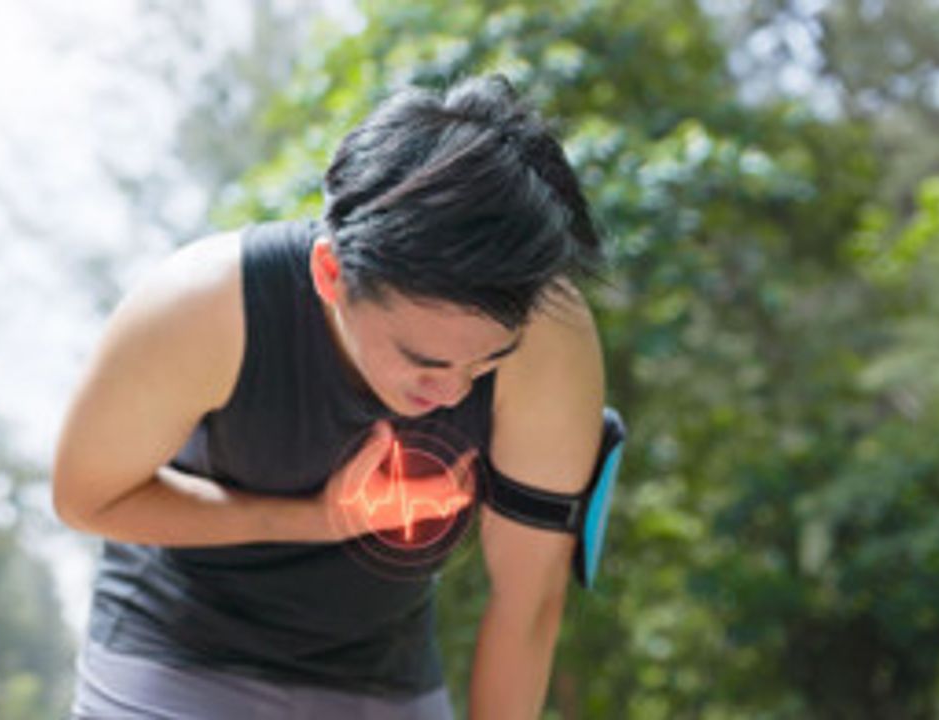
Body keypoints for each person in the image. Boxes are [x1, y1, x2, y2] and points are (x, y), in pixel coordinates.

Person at [53, 74, 606, 719]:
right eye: (422, 361)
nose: (453, 390)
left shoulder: (546, 337)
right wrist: (313, 518)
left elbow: (528, 602)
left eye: (486, 363)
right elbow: (86, 498)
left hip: (385, 677)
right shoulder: (202, 309)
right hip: (174, 651)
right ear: (330, 273)